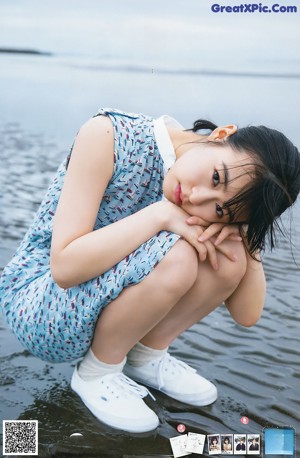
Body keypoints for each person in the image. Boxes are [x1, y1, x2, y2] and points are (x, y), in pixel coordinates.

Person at [0, 108, 299, 433]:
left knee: (229, 253)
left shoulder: (206, 197)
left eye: (218, 208)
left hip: (98, 307)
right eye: (216, 177)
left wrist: (246, 240)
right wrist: (160, 215)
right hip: (42, 305)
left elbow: (247, 315)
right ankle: (97, 373)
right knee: (182, 253)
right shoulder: (108, 136)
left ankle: (145, 357)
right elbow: (63, 267)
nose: (197, 198)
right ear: (221, 135)